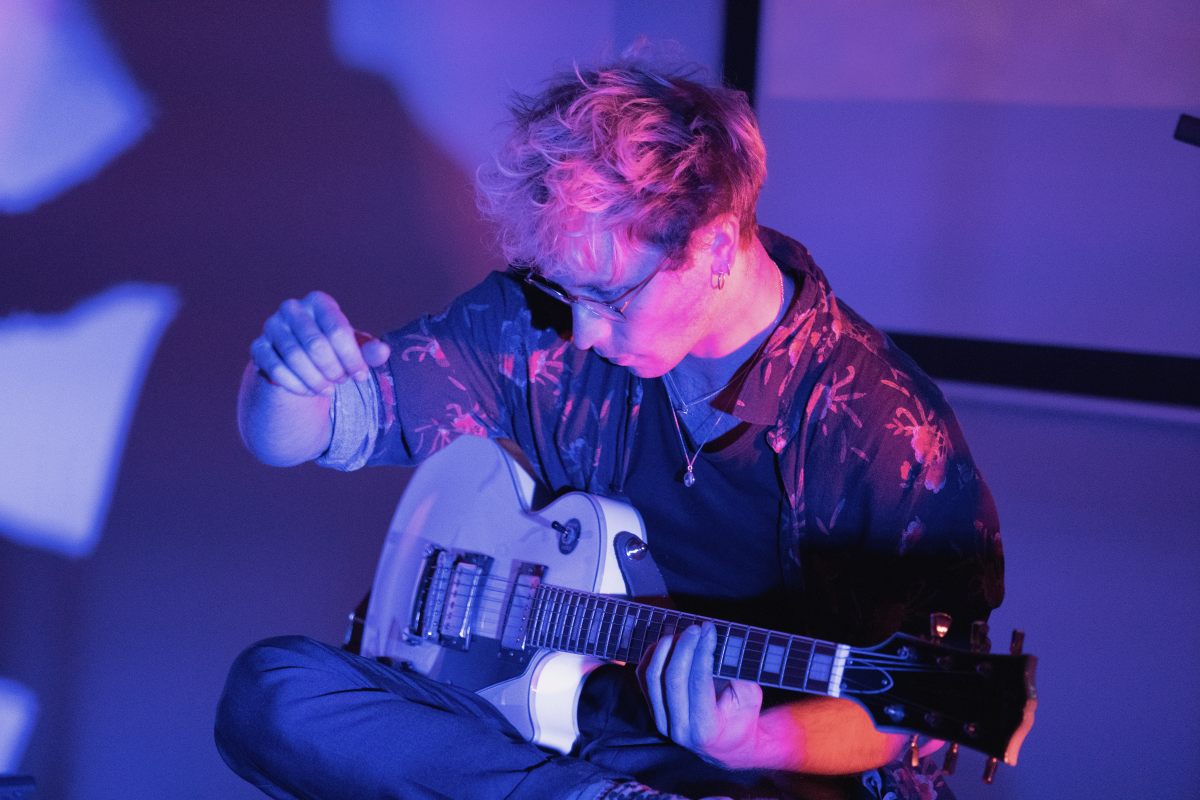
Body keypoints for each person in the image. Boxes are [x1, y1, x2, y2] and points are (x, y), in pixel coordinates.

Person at [217, 46, 1003, 800]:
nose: (584, 332)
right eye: (568, 295)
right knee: (272, 691)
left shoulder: (884, 424)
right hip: (539, 742)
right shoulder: (539, 317)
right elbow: (312, 429)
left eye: (611, 298)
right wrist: (284, 376)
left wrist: (750, 741)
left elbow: (919, 727)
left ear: (715, 246)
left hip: (743, 778)